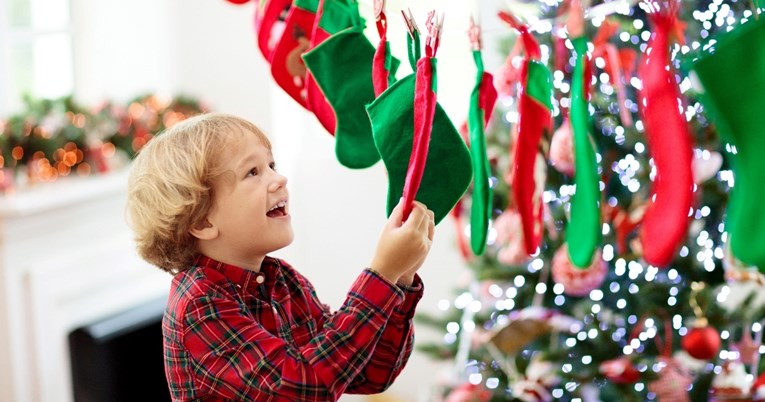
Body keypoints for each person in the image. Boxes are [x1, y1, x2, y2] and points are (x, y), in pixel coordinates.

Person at [126, 112, 435, 401]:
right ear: (202, 221)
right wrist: (381, 276)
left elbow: (370, 374)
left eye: (272, 165)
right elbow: (306, 388)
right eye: (253, 172)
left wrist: (400, 277)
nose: (279, 179)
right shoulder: (200, 304)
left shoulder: (284, 281)